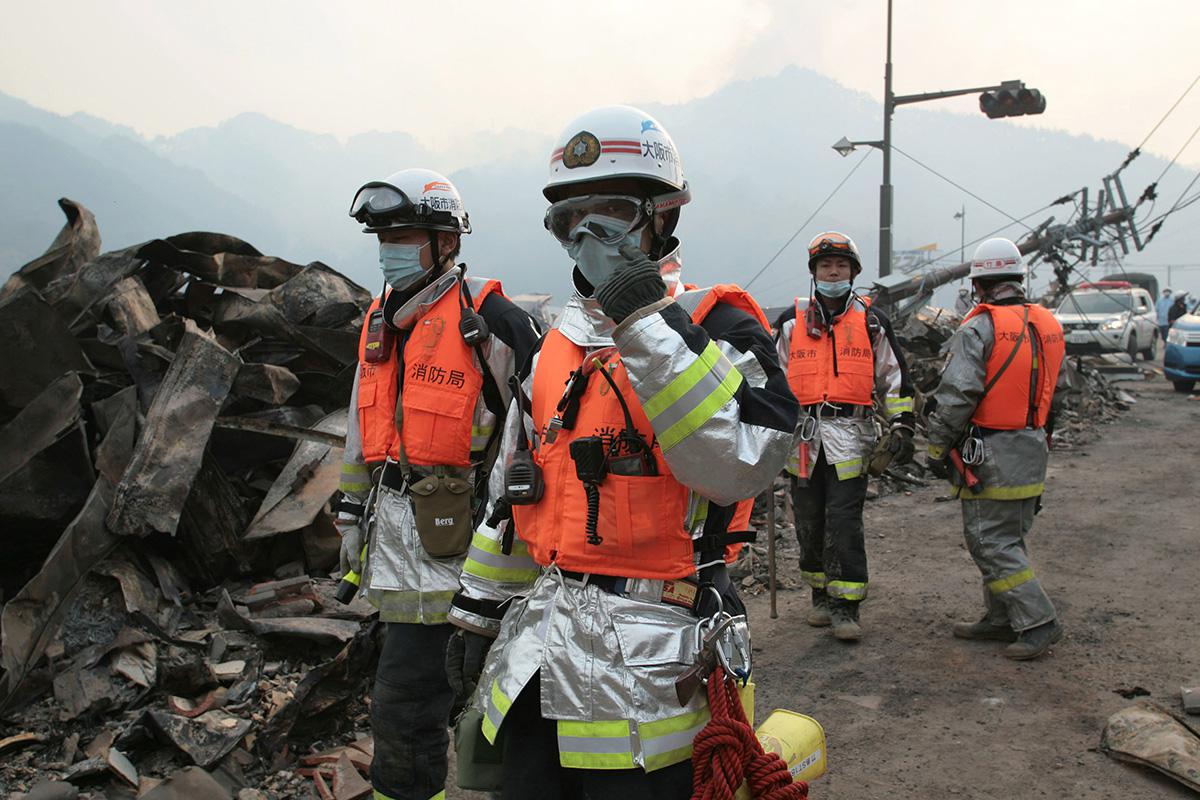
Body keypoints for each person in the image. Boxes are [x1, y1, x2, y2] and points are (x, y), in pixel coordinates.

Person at [444, 105, 798, 799]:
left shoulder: (718, 325)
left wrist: (641, 317)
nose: (588, 234)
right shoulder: (553, 347)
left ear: (662, 217)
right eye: (570, 220)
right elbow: (515, 495)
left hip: (657, 669)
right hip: (539, 652)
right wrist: (477, 612)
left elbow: (736, 464)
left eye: (610, 212)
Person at [334, 168, 540, 800]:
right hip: (399, 547)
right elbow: (359, 431)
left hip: (480, 546)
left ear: (446, 241)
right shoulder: (378, 321)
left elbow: (543, 427)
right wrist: (348, 520)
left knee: (488, 696)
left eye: (404, 235)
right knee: (408, 699)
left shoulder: (493, 321)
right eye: (384, 236)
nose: (389, 248)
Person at [925, 237, 1068, 661]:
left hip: (989, 453)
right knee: (1011, 536)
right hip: (1032, 447)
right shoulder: (1048, 325)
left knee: (989, 542)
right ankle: (1001, 617)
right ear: (1017, 279)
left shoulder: (978, 328)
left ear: (980, 284)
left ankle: (1039, 621)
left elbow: (957, 394)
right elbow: (1056, 393)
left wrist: (936, 447)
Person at [773, 232, 915, 641]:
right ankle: (820, 594)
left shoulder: (871, 322)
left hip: (851, 433)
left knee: (844, 519)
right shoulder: (790, 322)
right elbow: (769, 376)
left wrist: (903, 424)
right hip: (802, 436)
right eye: (825, 266)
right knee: (808, 519)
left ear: (853, 272)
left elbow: (894, 377)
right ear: (814, 273)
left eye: (840, 266)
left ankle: (846, 606)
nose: (833, 272)